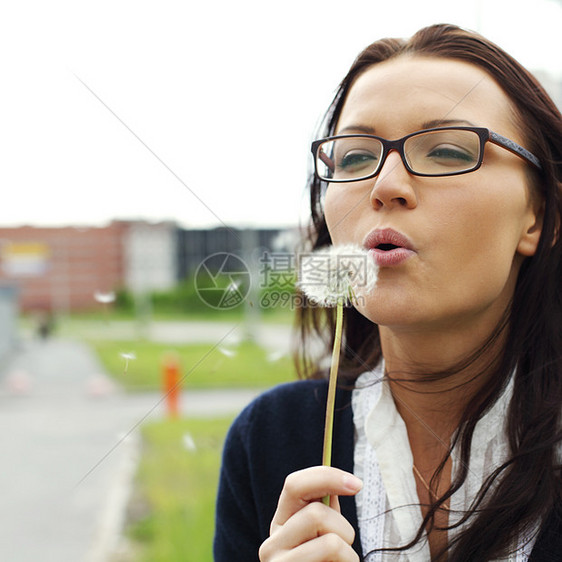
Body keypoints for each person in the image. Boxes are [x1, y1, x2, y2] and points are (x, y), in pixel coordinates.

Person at [214, 23, 562, 561]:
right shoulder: (272, 439)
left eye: (445, 150)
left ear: (538, 215)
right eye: (353, 157)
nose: (385, 186)